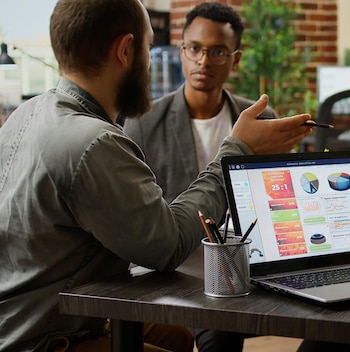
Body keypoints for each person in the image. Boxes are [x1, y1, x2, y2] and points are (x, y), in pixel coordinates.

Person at [0, 0, 313, 351]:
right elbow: (166, 246)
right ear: (125, 50)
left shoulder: (23, 115)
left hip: (15, 320)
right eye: (148, 48)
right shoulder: (95, 143)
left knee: (176, 337)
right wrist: (237, 152)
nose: (149, 63)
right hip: (46, 338)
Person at [123, 2, 277, 203]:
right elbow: (132, 205)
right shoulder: (144, 122)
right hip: (179, 234)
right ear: (182, 51)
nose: (203, 61)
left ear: (236, 60)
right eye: (195, 48)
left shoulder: (261, 119)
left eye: (218, 52)